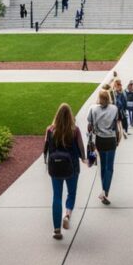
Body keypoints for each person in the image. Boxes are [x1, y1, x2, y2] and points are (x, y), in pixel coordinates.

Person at [44, 103, 87, 240]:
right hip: (72, 167)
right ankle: (67, 214)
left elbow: (45, 148)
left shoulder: (50, 130)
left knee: (56, 196)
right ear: (70, 116)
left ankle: (57, 229)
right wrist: (84, 159)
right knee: (71, 193)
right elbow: (81, 148)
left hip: (55, 168)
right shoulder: (75, 130)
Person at [88, 89, 123, 205]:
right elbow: (116, 123)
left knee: (103, 166)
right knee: (110, 167)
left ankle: (104, 191)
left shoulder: (93, 108)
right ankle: (105, 191)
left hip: (99, 140)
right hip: (110, 139)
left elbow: (90, 125)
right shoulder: (114, 108)